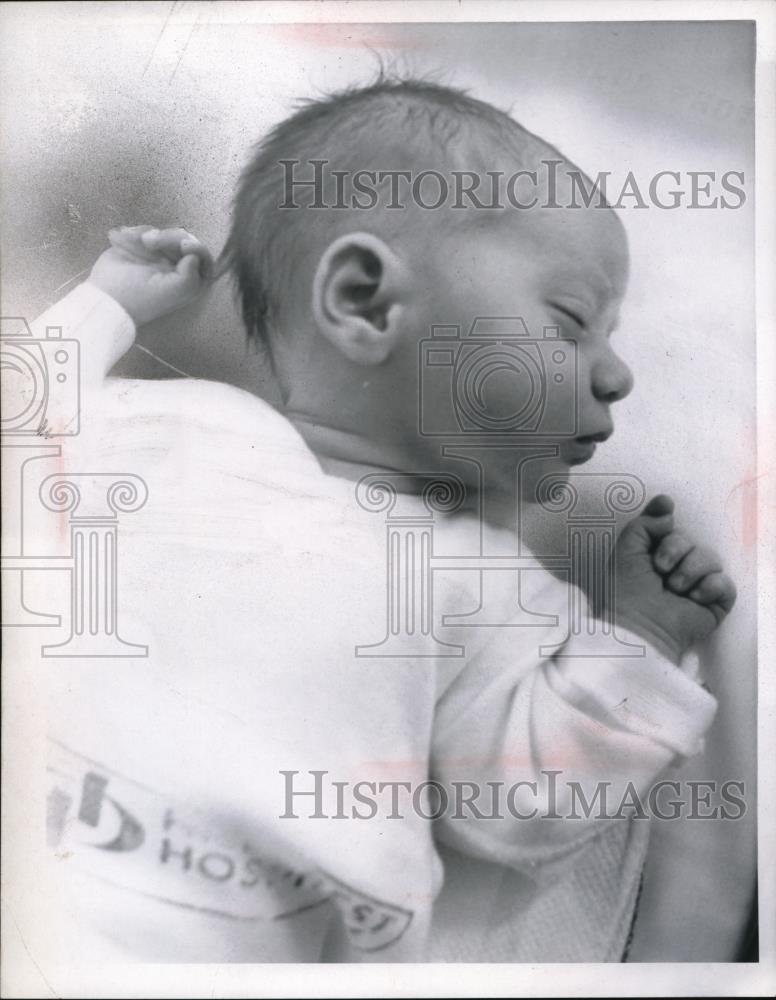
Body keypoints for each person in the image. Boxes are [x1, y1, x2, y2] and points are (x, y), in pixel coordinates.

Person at [33, 78, 735, 963]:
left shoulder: (485, 581)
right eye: (572, 324)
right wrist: (108, 310)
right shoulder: (173, 427)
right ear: (366, 299)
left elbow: (517, 803)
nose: (619, 376)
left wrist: (637, 635)